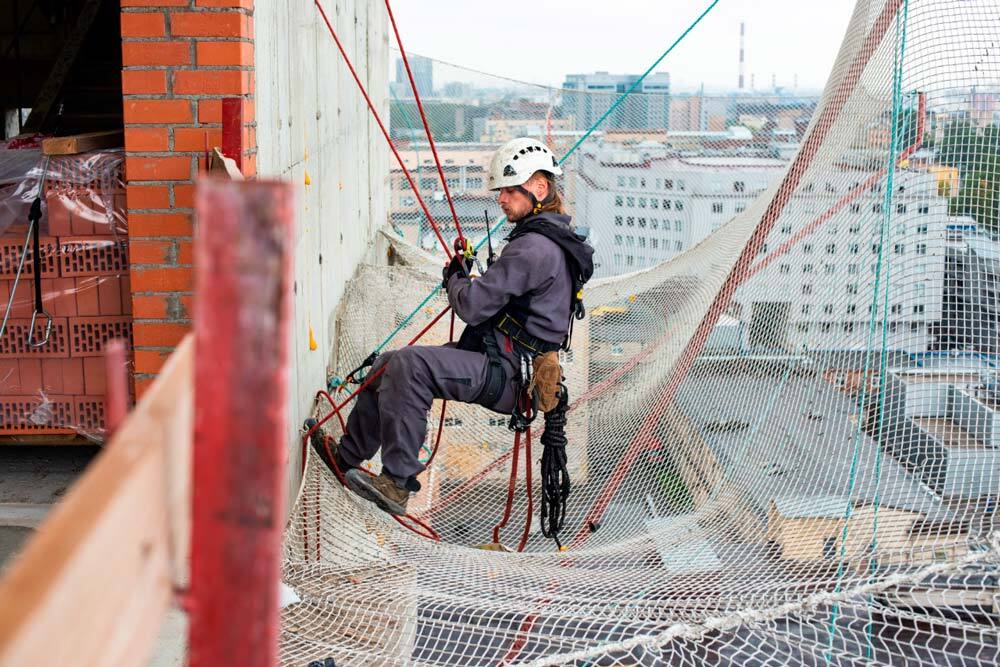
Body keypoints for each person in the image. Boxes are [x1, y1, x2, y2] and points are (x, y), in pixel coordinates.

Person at [308, 138, 594, 516]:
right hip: (501, 362)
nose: (502, 199)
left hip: (506, 373)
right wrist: (466, 279)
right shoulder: (544, 242)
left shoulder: (535, 248)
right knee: (388, 365)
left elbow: (473, 307)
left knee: (411, 366)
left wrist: (456, 279)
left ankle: (396, 483)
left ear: (540, 187)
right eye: (501, 191)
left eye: (510, 190)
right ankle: (346, 458)